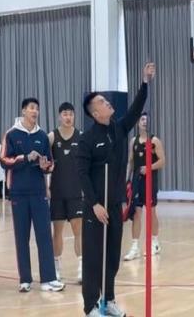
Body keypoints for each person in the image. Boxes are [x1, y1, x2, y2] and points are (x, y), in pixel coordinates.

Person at [77, 63, 155, 317]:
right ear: (95, 112)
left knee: (112, 257)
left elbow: (135, 110)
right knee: (93, 259)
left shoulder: (119, 129)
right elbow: (82, 175)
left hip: (114, 205)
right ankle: (90, 306)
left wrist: (145, 82)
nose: (107, 102)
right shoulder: (87, 139)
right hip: (95, 209)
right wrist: (94, 204)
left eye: (106, 99)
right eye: (102, 101)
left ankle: (108, 299)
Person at [0, 98, 65, 293]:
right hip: (18, 193)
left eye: (37, 108)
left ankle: (48, 279)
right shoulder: (11, 134)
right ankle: (25, 280)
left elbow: (50, 163)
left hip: (38, 192)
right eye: (31, 108)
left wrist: (46, 166)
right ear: (23, 111)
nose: (35, 111)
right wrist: (24, 158)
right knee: (22, 238)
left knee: (44, 236)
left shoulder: (42, 136)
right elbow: (3, 160)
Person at [48, 102, 83, 283]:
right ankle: (56, 268)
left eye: (71, 114)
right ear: (59, 116)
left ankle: (82, 268)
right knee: (57, 232)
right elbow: (44, 164)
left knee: (79, 231)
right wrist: (46, 187)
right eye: (65, 114)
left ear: (74, 116)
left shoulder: (81, 137)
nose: (68, 117)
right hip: (57, 192)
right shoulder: (51, 137)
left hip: (76, 192)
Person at [123, 113, 165, 261]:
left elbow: (162, 161)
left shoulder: (154, 141)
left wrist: (149, 167)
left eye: (147, 120)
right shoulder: (133, 141)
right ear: (138, 123)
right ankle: (135, 247)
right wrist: (127, 180)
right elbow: (130, 162)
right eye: (142, 119)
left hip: (150, 181)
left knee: (151, 211)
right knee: (136, 213)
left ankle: (155, 243)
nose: (145, 122)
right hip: (136, 181)